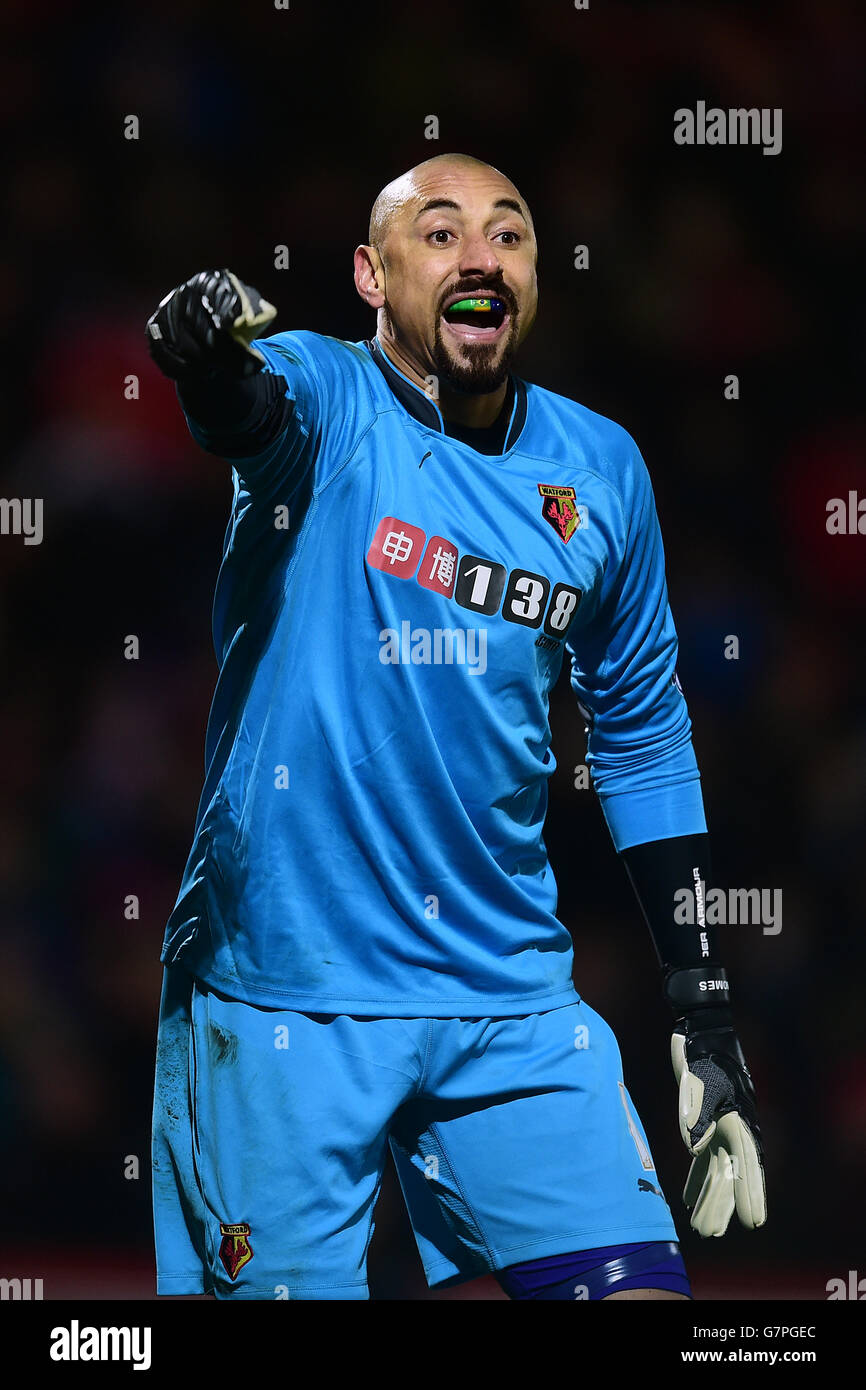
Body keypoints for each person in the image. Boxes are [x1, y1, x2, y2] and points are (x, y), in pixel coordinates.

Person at [146, 152, 765, 1301]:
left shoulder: (600, 469)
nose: (480, 256)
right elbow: (243, 409)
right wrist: (202, 355)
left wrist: (700, 1004)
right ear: (370, 276)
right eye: (438, 234)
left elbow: (638, 732)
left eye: (509, 235)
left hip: (508, 995)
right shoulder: (322, 396)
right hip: (286, 995)